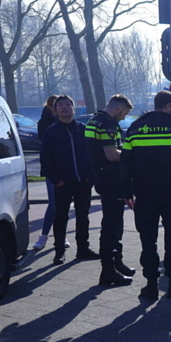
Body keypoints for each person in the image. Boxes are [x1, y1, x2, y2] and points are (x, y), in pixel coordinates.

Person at [120, 90, 171, 300]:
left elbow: (126, 163)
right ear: (167, 106)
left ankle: (151, 285)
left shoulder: (135, 128)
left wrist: (126, 191)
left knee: (148, 241)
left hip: (144, 194)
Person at [39, 95, 99, 265]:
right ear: (55, 110)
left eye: (68, 104)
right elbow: (46, 159)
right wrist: (56, 180)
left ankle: (83, 249)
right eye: (61, 105)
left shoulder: (84, 129)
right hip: (62, 183)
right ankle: (59, 252)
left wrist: (90, 176)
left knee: (83, 216)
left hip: (83, 182)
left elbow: (93, 155)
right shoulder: (50, 132)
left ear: (73, 109)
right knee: (60, 217)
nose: (64, 107)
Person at [86, 94, 135, 286]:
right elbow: (112, 155)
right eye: (124, 114)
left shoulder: (93, 121)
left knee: (115, 222)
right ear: (118, 109)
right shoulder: (108, 124)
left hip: (101, 176)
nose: (123, 118)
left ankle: (117, 263)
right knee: (112, 225)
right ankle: (108, 270)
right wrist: (132, 155)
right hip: (111, 178)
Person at [32, 95, 61, 251]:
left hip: (66, 168)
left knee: (62, 205)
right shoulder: (45, 123)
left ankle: (60, 236)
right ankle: (44, 236)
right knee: (54, 203)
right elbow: (45, 149)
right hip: (53, 169)